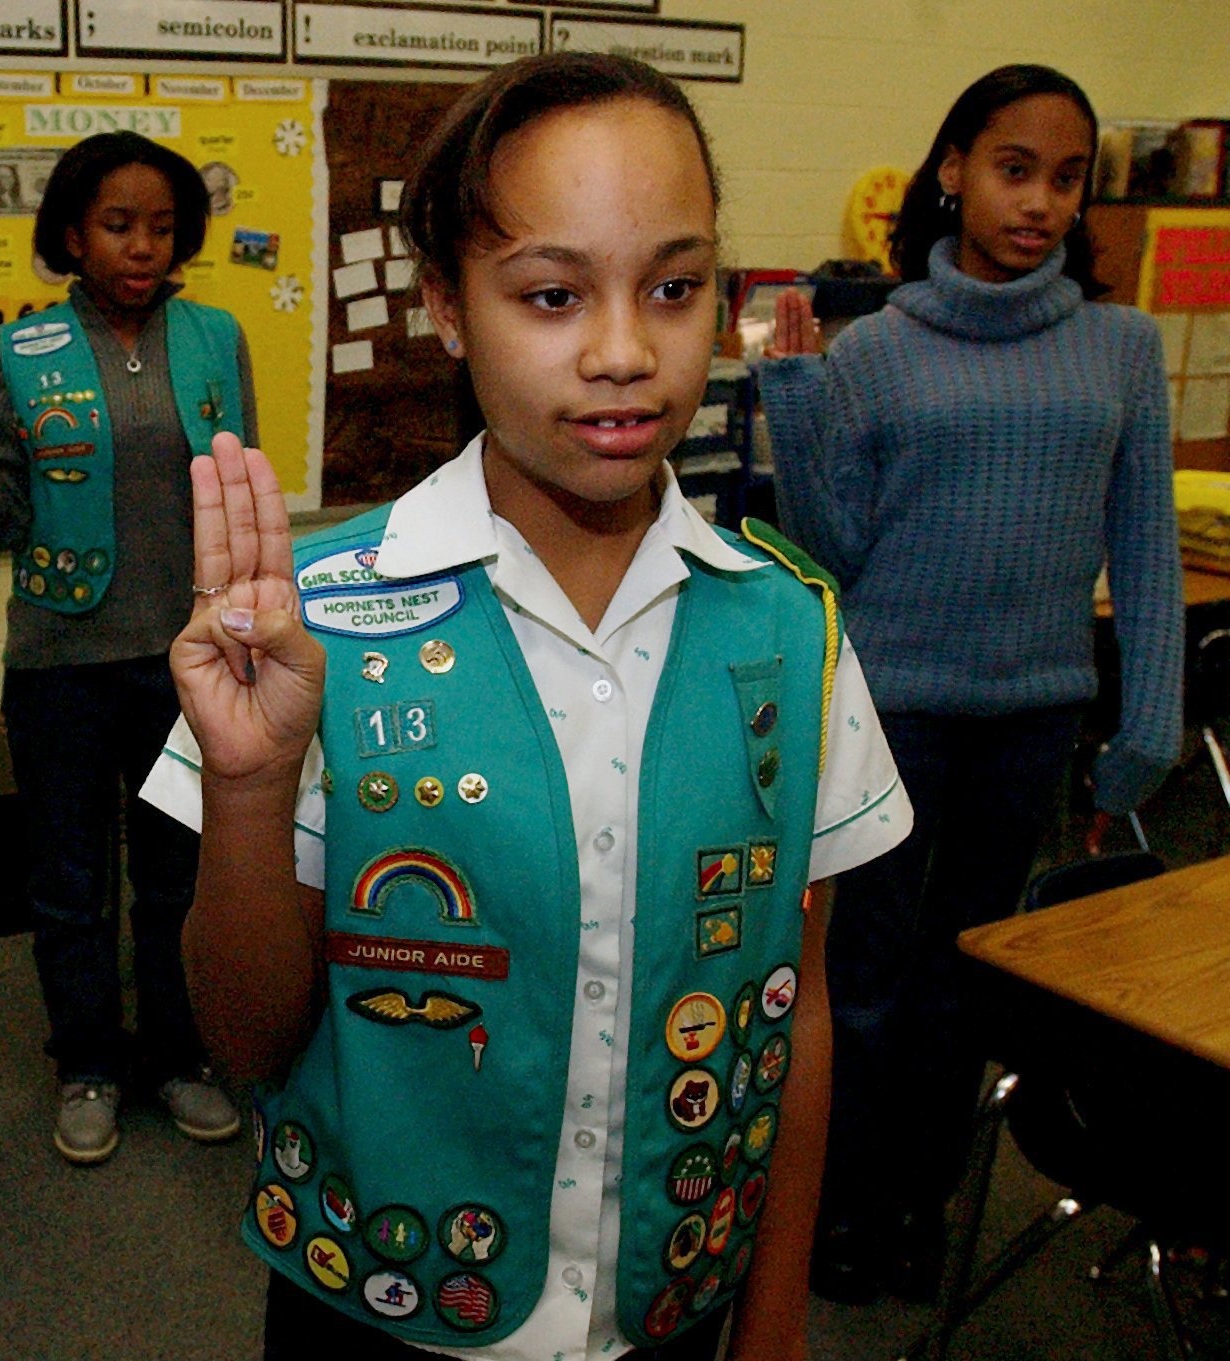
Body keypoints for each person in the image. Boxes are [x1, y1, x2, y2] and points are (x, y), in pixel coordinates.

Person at [146, 52, 914, 1361]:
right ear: (446, 304)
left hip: (676, 1304)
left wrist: (774, 1315)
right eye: (553, 295)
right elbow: (245, 1043)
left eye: (673, 287)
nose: (623, 352)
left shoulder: (791, 629)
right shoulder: (308, 625)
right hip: (378, 1315)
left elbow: (803, 1003)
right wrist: (254, 786)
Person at [757, 63, 1182, 1305]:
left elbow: (1142, 546)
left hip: (1030, 721)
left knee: (969, 982)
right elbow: (829, 554)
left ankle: (914, 1206)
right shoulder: (874, 349)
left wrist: (1146, 717)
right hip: (887, 718)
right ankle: (838, 1207)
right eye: (1011, 168)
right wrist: (793, 405)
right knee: (868, 983)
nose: (1037, 201)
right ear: (950, 170)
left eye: (1064, 178)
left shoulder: (1120, 346)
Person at [0, 131, 254, 1165]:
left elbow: (241, 499)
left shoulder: (217, 338)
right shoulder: (20, 353)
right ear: (71, 233)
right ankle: (85, 1062)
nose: (141, 247)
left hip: (187, 659)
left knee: (179, 877)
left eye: (161, 227)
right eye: (118, 225)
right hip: (60, 665)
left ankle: (178, 1055)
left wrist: (247, 632)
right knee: (71, 881)